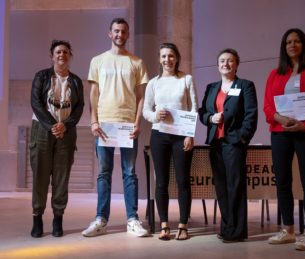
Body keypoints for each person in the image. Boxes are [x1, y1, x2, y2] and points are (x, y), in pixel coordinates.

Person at [264, 28, 305, 251]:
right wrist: (279, 118)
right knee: (282, 182)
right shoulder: (275, 74)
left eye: (297, 41)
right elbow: (267, 105)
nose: (292, 45)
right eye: (288, 42)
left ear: (304, 45)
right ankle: (288, 230)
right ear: (284, 47)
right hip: (280, 132)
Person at [82, 18, 149, 237]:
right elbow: (93, 93)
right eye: (116, 31)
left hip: (128, 124)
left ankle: (132, 220)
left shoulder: (137, 63)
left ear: (128, 35)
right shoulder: (98, 61)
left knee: (129, 173)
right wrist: (93, 121)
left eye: (123, 31)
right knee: (104, 173)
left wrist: (138, 123)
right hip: (104, 125)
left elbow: (141, 97)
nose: (120, 34)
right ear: (109, 34)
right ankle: (101, 220)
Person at [199, 48, 258, 243]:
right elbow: (202, 112)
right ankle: (226, 227)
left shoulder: (245, 85)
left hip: (233, 143)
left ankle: (238, 231)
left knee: (235, 186)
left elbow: (251, 115)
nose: (226, 63)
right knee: (222, 187)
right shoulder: (211, 87)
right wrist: (210, 117)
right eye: (222, 60)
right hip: (216, 142)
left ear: (236, 64)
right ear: (218, 65)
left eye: (230, 61)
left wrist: (242, 138)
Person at [143, 43, 198, 241]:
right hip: (159, 135)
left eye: (171, 56)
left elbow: (193, 109)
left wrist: (190, 134)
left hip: (181, 135)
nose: (168, 60)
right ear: (159, 59)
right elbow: (146, 111)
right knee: (161, 182)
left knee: (183, 181)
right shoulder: (153, 83)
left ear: (177, 58)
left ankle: (183, 225)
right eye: (164, 56)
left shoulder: (186, 79)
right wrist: (156, 115)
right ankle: (164, 224)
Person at [30, 39, 84, 238]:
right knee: (40, 176)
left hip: (66, 132)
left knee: (61, 178)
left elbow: (79, 107)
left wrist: (65, 125)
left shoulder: (77, 81)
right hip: (43, 130)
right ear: (52, 56)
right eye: (58, 52)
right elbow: (35, 103)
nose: (62, 55)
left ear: (70, 56)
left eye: (65, 52)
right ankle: (37, 218)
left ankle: (57, 219)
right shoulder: (41, 76)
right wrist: (53, 125)